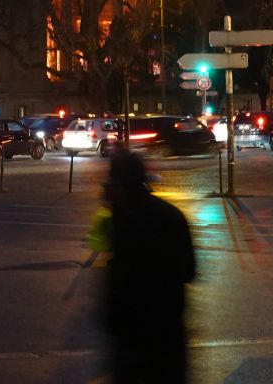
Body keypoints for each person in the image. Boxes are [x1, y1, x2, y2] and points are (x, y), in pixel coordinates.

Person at [104, 147, 195, 383]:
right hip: (168, 332)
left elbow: (118, 278)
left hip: (132, 338)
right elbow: (189, 271)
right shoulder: (172, 216)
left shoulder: (123, 221)